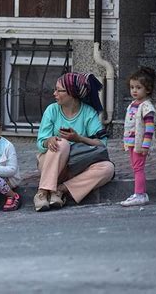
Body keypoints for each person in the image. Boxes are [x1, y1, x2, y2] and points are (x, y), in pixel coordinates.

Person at [34, 72, 115, 212]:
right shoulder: (52, 110)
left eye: (59, 90)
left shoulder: (89, 113)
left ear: (72, 93)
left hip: (78, 164)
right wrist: (49, 141)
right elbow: (40, 142)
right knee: (62, 143)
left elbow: (102, 144)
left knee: (108, 168)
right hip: (51, 163)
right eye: (55, 89)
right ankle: (42, 192)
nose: (54, 93)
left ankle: (60, 190)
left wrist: (79, 139)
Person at [121, 67, 156, 207]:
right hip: (132, 143)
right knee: (136, 167)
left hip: (140, 144)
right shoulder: (133, 104)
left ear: (147, 89)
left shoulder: (146, 106)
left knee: (138, 168)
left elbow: (149, 128)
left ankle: (140, 194)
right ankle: (139, 193)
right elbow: (130, 126)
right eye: (132, 87)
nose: (134, 91)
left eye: (138, 87)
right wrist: (125, 141)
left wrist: (145, 145)